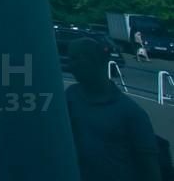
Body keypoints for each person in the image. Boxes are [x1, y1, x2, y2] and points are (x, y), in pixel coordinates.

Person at [66, 37, 160, 180]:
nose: (70, 66)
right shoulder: (70, 96)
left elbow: (150, 169)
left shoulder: (130, 113)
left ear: (95, 61)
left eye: (75, 59)